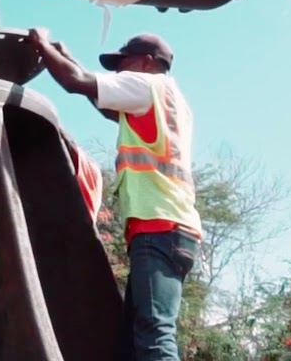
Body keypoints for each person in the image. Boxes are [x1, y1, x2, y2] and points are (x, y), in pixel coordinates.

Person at [27, 28, 201, 361]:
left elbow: (76, 81)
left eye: (125, 62)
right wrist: (66, 58)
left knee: (154, 336)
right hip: (174, 230)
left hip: (158, 225)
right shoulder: (170, 97)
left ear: (148, 63)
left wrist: (41, 44)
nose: (118, 70)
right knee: (133, 343)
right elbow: (101, 99)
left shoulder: (146, 86)